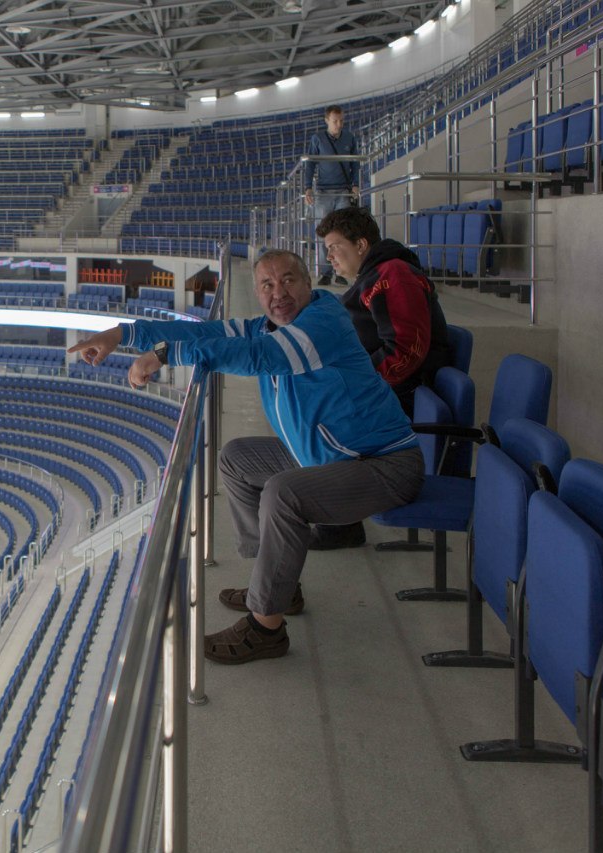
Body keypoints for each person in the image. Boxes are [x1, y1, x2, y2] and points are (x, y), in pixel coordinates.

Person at [68, 250, 423, 665]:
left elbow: (263, 357)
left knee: (283, 493)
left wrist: (165, 355)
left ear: (309, 283)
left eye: (289, 281)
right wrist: (121, 334)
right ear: (256, 293)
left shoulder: (324, 323)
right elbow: (206, 334)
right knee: (238, 459)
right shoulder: (267, 326)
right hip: (328, 457)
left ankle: (265, 627)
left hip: (382, 465)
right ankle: (275, 586)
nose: (279, 293)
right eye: (267, 286)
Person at [305, 206, 454, 550]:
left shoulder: (393, 275)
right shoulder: (374, 276)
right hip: (392, 389)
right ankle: (340, 517)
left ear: (360, 244)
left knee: (323, 417)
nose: (329, 256)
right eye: (326, 249)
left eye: (334, 246)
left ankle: (340, 523)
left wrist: (353, 389)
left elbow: (406, 350)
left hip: (406, 393)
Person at [302, 105, 360, 288]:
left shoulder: (350, 138)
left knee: (343, 233)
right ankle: (325, 272)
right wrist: (307, 187)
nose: (339, 124)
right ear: (326, 120)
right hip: (324, 192)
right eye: (335, 121)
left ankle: (341, 271)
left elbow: (355, 164)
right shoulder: (317, 139)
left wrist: (356, 183)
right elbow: (310, 164)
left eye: (341, 120)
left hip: (343, 191)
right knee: (323, 233)